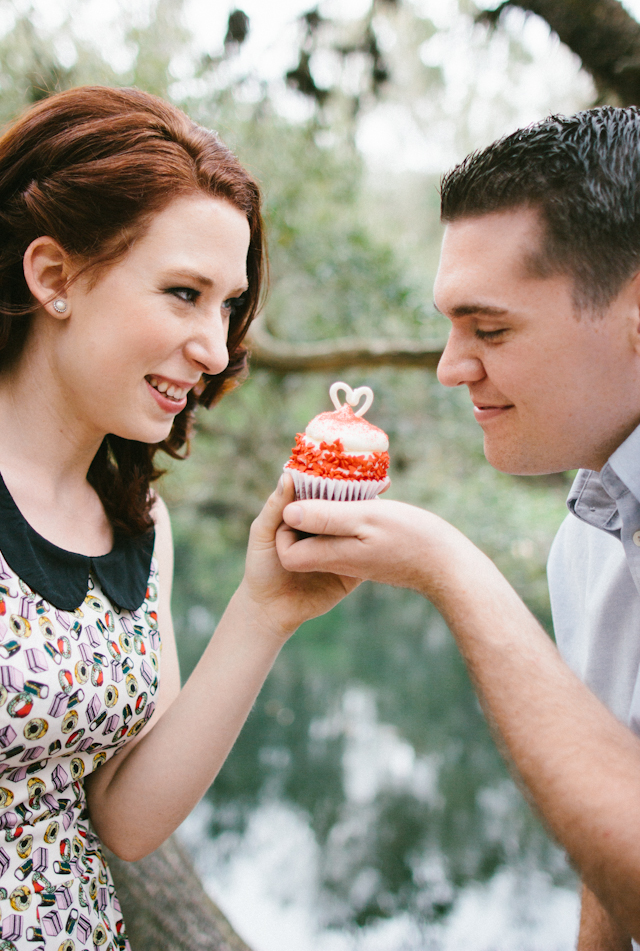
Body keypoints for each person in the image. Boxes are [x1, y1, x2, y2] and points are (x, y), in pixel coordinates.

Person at [0, 85, 356, 951]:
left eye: (229, 305)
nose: (216, 346)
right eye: (184, 293)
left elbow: (125, 819)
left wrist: (267, 607)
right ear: (54, 276)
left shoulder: (134, 518)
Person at [277, 106, 640, 951]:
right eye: (449, 327)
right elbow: (609, 831)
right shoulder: (589, 536)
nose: (450, 368)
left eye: (490, 328)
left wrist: (454, 569)